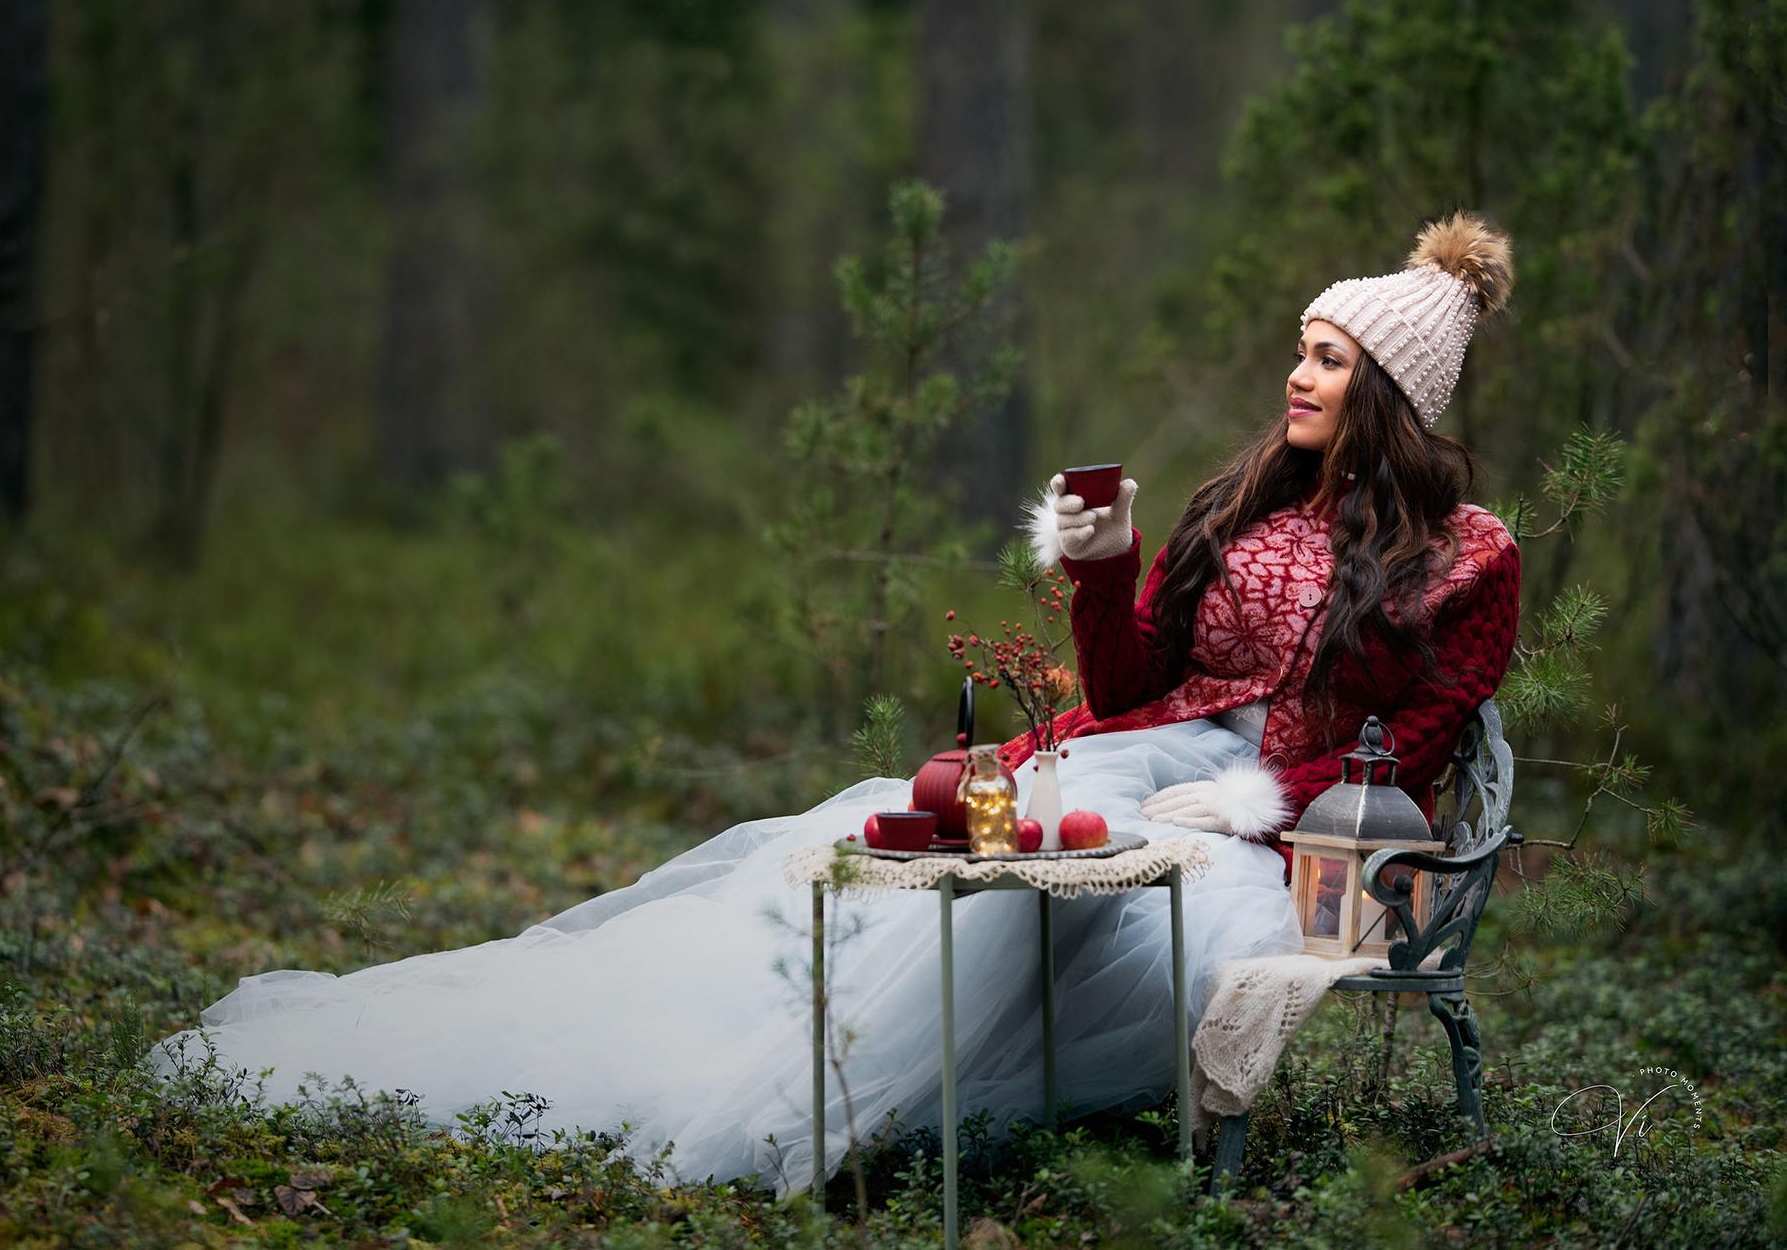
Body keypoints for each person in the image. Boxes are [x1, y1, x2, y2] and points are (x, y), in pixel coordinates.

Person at [150, 210, 1523, 1199]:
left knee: (1073, 876)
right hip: (1145, 751)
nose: (1297, 373)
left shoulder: (1467, 556)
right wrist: (1100, 567)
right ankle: (755, 1052)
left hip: (1281, 838)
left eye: (1333, 359)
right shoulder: (1241, 504)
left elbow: (1413, 744)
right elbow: (1123, 686)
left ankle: (854, 1094)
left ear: (1391, 392)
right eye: (1300, 346)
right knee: (959, 830)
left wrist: (1254, 805)